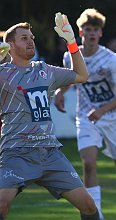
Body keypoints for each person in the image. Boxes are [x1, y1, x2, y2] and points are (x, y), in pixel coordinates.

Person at [0, 15, 100, 219]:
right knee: (1, 205)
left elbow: (82, 75)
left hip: (49, 153)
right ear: (10, 45)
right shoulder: (2, 73)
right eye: (24, 38)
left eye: (31, 37)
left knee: (89, 205)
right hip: (16, 152)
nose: (30, 41)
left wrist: (72, 42)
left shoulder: (45, 70)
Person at [54, 9, 116, 220]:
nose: (92, 33)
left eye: (96, 30)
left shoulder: (111, 59)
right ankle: (97, 215)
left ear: (101, 34)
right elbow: (71, 79)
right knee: (88, 162)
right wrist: (61, 92)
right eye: (88, 29)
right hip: (86, 116)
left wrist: (103, 110)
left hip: (114, 117)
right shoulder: (70, 56)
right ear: (80, 32)